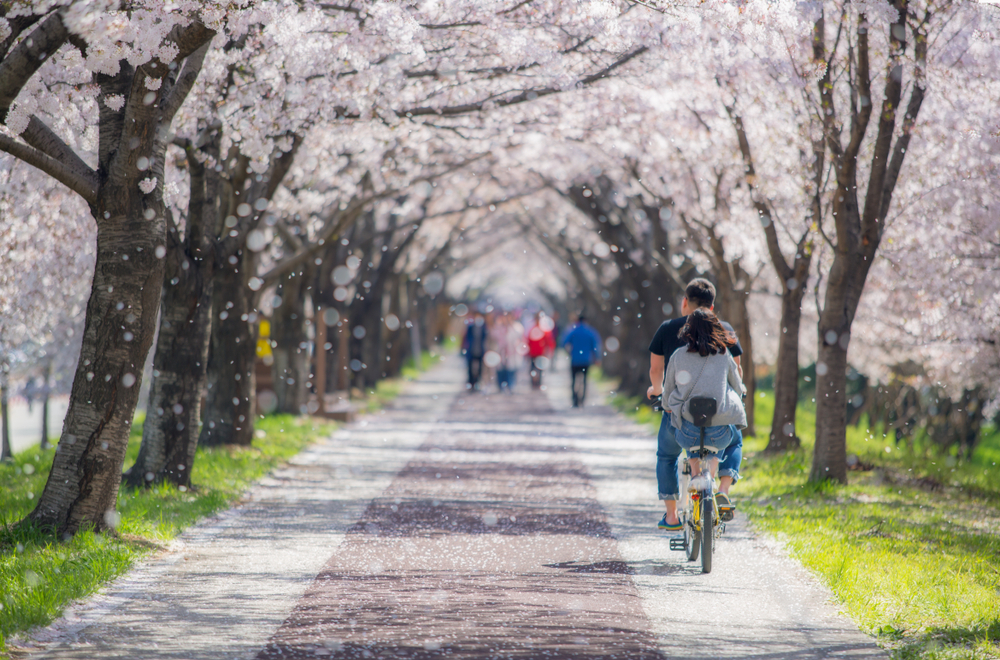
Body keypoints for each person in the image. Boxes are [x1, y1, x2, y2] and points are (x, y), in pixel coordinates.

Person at [647, 278, 744, 532]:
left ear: (685, 303)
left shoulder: (671, 333)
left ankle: (671, 516)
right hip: (718, 420)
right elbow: (738, 376)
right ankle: (721, 489)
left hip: (682, 418)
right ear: (712, 309)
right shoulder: (724, 337)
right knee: (734, 439)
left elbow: (658, 372)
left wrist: (657, 394)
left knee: (667, 454)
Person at [561, 314, 602, 407]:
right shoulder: (591, 331)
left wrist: (569, 353)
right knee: (584, 380)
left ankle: (574, 400)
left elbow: (564, 343)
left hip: (575, 360)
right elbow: (596, 347)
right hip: (586, 361)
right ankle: (582, 400)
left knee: (573, 380)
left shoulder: (573, 331)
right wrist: (597, 358)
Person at [526, 311, 556, 389]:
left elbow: (548, 341)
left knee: (537, 369)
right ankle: (535, 383)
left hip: (539, 353)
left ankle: (536, 383)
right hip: (535, 353)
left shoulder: (541, 330)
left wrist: (550, 349)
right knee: (536, 369)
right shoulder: (539, 329)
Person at [462, 312, 488, 391]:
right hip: (471, 350)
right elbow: (466, 338)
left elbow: (486, 339)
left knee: (480, 368)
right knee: (470, 368)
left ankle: (477, 383)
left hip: (480, 351)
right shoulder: (470, 327)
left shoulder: (484, 328)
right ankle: (471, 383)